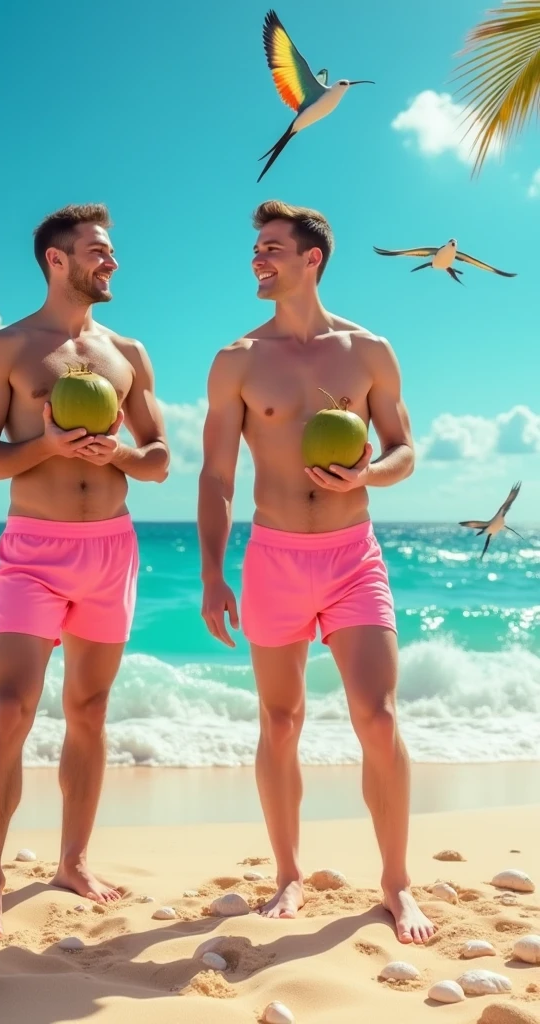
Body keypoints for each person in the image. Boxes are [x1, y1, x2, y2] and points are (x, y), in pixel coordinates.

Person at [197, 200, 435, 945]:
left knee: (380, 716)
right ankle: (289, 873)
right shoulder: (237, 359)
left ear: (312, 259)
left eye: (271, 248)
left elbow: (403, 450)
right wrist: (212, 572)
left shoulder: (369, 352)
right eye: (255, 250)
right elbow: (215, 476)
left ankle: (396, 883)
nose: (257, 261)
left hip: (352, 555)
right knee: (280, 720)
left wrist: (372, 470)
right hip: (273, 557)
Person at [0, 203, 169, 940]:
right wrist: (46, 446)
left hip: (111, 549)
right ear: (56, 260)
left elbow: (160, 461)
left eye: (110, 251)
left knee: (88, 710)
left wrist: (116, 455)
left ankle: (72, 861)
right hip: (34, 552)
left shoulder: (128, 352)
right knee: (11, 709)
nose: (110, 262)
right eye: (97, 251)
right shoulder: (6, 348)